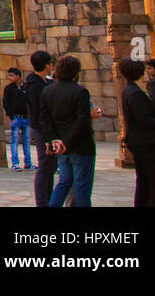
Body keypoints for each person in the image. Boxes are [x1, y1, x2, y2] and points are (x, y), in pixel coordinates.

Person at [41, 54, 98, 208]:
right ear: (76, 72)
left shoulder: (48, 91)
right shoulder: (80, 92)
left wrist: (54, 140)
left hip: (61, 146)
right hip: (79, 145)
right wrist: (66, 142)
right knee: (82, 186)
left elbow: (45, 120)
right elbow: (82, 121)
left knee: (64, 182)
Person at [119, 57, 155, 207]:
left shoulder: (129, 90)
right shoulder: (135, 93)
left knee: (144, 182)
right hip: (147, 144)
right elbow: (144, 120)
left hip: (138, 142)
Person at [23, 50, 56, 206]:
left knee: (50, 166)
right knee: (45, 166)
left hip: (44, 129)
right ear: (47, 65)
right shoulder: (35, 86)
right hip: (41, 129)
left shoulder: (43, 83)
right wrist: (48, 135)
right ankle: (42, 201)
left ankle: (47, 199)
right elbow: (39, 112)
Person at [3, 68, 33, 172]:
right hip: (16, 118)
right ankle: (15, 163)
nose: (10, 78)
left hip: (26, 118)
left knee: (26, 141)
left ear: (18, 76)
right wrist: (11, 117)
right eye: (9, 75)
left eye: (12, 75)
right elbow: (6, 103)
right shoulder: (9, 89)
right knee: (15, 141)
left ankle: (28, 163)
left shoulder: (26, 87)